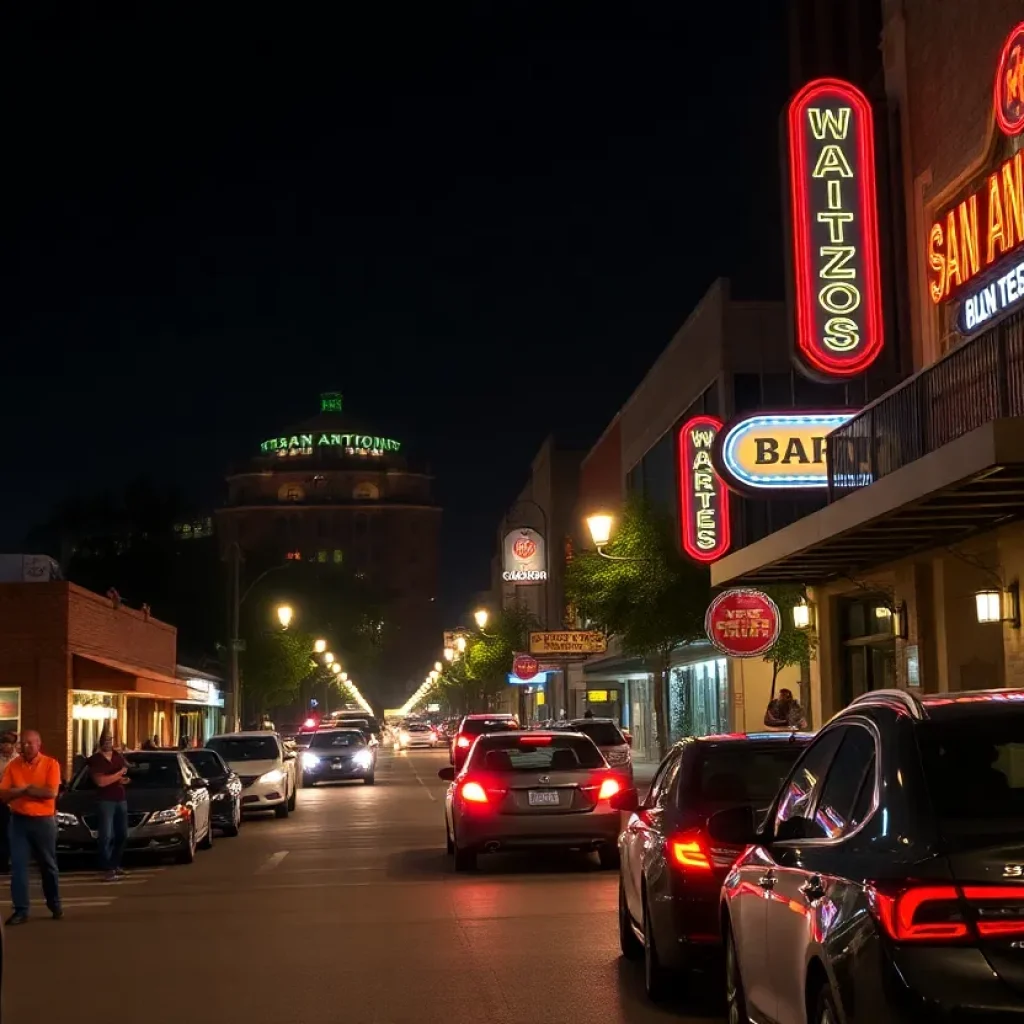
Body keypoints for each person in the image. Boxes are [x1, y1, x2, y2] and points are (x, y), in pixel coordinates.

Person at [0, 730, 63, 924]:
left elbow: (50, 792)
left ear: (38, 744)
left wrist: (23, 790)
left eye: (30, 743)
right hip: (19, 821)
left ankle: (54, 903)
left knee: (48, 865)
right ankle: (21, 910)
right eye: (23, 744)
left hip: (43, 821)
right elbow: (3, 795)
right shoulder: (13, 766)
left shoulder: (50, 764)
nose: (26, 747)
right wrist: (27, 791)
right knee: (18, 867)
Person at [86, 729, 130, 882]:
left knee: (122, 834)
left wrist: (121, 778)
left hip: (120, 798)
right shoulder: (95, 760)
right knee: (106, 835)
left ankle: (116, 864)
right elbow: (101, 782)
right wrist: (119, 774)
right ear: (100, 741)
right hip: (106, 801)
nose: (108, 742)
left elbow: (123, 774)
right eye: (105, 739)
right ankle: (107, 868)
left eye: (110, 739)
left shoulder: (118, 757)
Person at [0, 733, 16, 872]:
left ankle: (8, 860)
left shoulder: (17, 760)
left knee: (9, 832)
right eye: (3, 743)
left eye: (8, 743)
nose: (5, 746)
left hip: (13, 799)